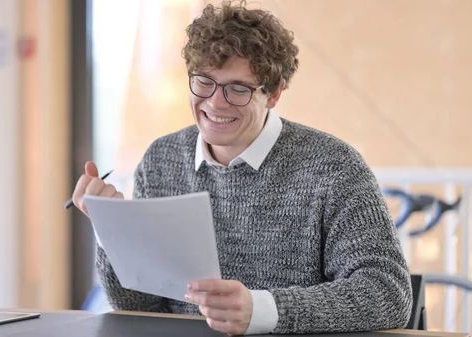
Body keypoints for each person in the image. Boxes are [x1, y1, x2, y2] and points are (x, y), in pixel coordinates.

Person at [72, 0, 412, 335]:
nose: (215, 102)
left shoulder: (334, 167)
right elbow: (141, 309)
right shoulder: (162, 160)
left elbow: (387, 293)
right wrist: (113, 231)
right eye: (204, 81)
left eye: (238, 89)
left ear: (274, 93)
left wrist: (265, 310)